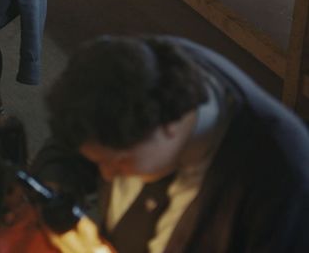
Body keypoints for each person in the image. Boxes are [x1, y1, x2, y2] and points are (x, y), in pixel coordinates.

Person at [34, 35, 309, 253]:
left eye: (119, 162)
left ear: (169, 125)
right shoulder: (141, 67)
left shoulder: (282, 183)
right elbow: (77, 140)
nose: (105, 175)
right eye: (99, 163)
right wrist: (55, 185)